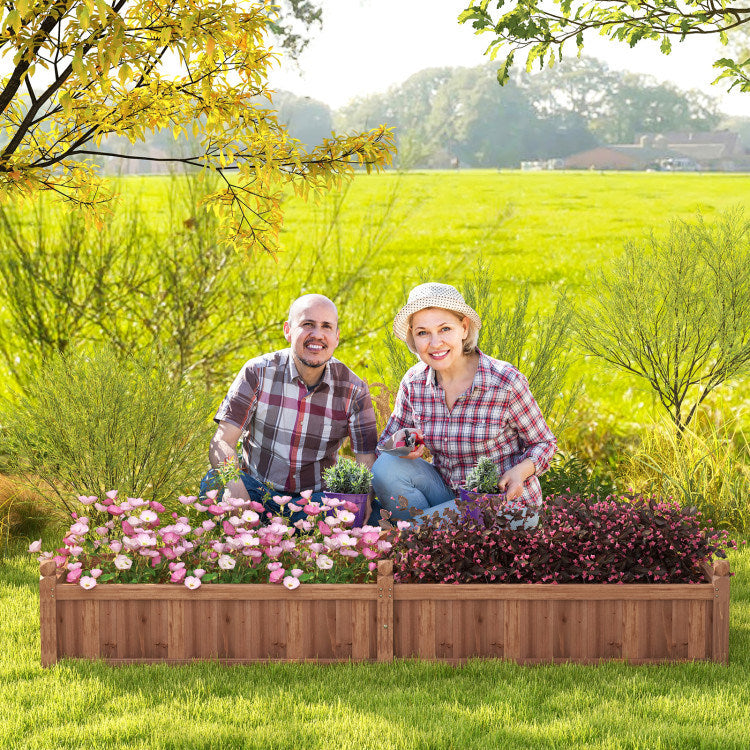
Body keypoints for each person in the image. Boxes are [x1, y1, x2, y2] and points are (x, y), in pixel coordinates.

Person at [372, 282, 556, 525]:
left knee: (416, 528)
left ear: (464, 328)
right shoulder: (414, 382)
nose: (435, 343)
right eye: (422, 332)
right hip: (444, 498)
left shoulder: (503, 381)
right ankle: (427, 537)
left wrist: (520, 472)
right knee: (385, 467)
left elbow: (544, 442)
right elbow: (388, 446)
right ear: (413, 339)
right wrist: (403, 443)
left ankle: (415, 538)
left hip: (500, 504)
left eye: (445, 328)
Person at [202, 294, 378, 522]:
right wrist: (234, 484)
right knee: (214, 483)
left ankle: (285, 538)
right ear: (288, 330)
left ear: (336, 337)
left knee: (372, 514)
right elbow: (222, 441)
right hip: (256, 493)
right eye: (307, 324)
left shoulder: (353, 389)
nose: (317, 334)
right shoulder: (258, 372)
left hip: (316, 503)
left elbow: (367, 461)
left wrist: (365, 501)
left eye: (326, 326)